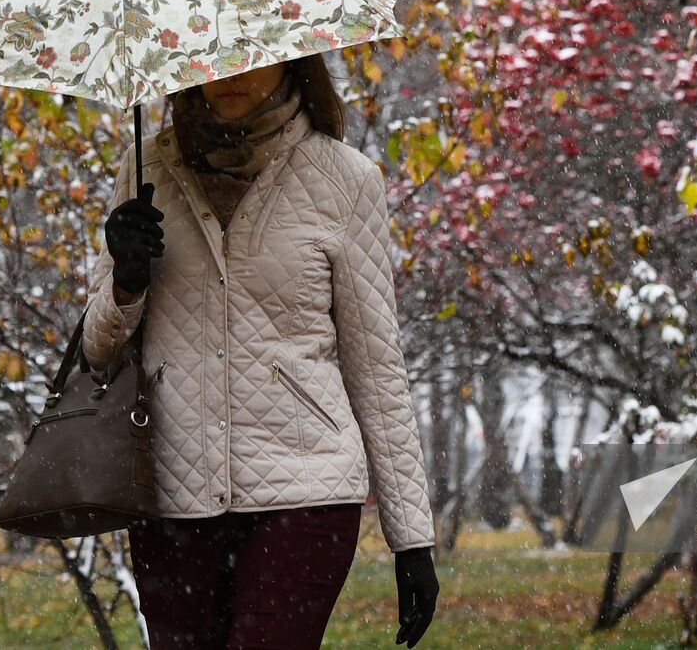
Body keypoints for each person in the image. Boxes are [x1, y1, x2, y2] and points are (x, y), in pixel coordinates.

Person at [82, 56, 439, 649]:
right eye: (209, 59)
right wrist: (126, 275)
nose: (227, 75)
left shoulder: (345, 179)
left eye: (248, 59)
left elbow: (377, 366)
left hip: (305, 489)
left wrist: (413, 539)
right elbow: (99, 350)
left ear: (292, 60)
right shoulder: (147, 169)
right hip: (172, 490)